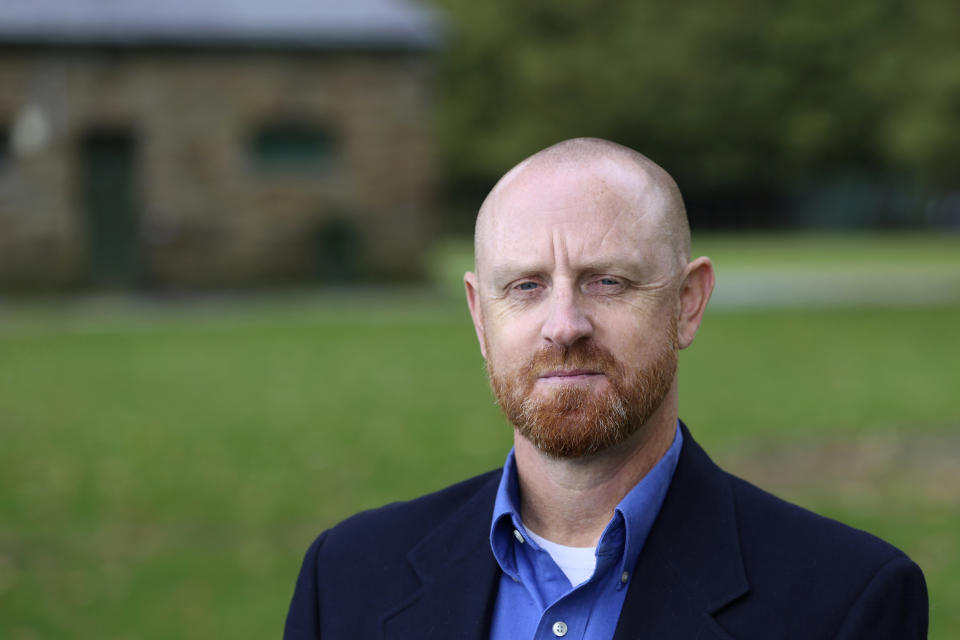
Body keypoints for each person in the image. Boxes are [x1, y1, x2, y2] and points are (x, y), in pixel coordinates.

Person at [285, 138, 928, 639]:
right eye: (527, 287)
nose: (564, 326)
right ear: (481, 318)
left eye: (608, 282)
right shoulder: (347, 579)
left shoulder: (844, 602)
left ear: (687, 303)